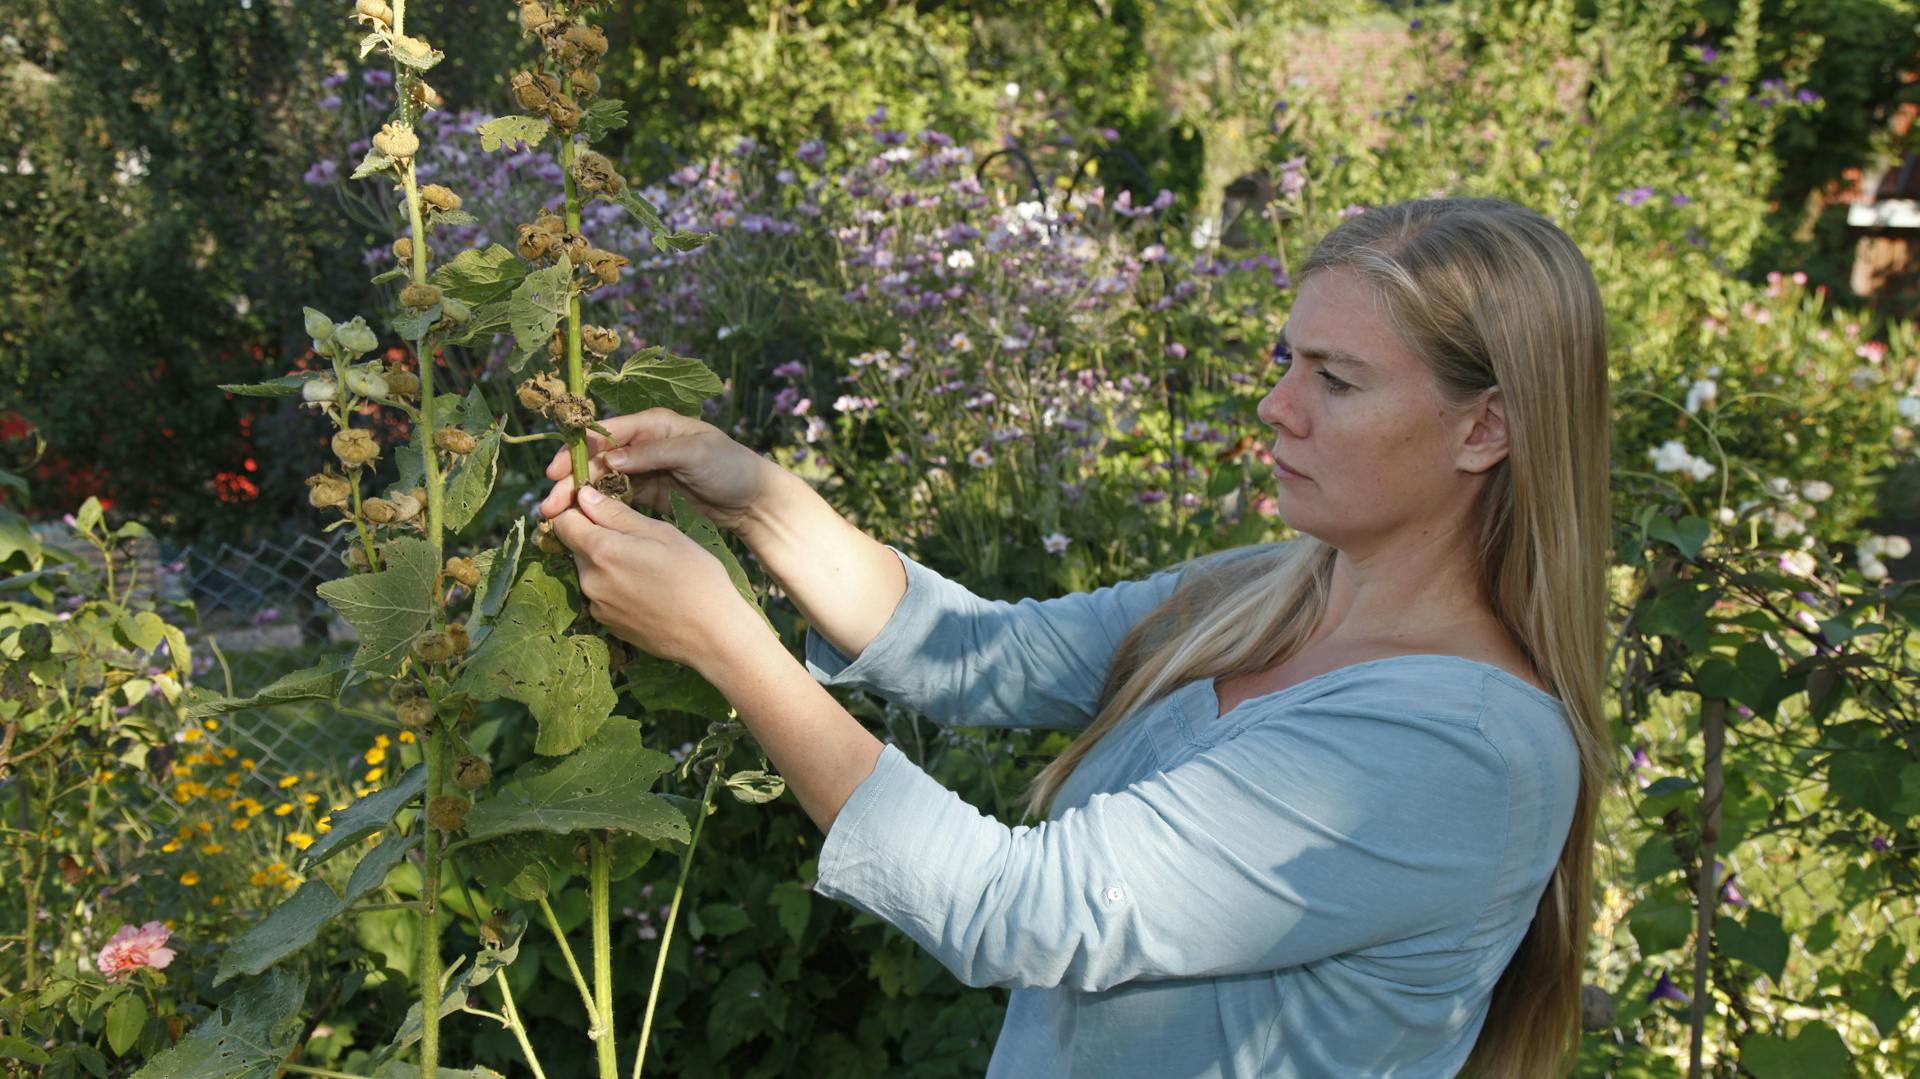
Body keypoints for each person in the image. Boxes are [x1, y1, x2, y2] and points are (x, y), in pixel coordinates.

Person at [540, 196, 1612, 1078]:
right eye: (1286, 358)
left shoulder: (1459, 748)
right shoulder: (1272, 588)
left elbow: (1017, 907)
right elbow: (983, 654)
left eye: (1336, 380)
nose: (1277, 406)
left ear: (1487, 426)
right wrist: (755, 499)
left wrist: (728, 641)